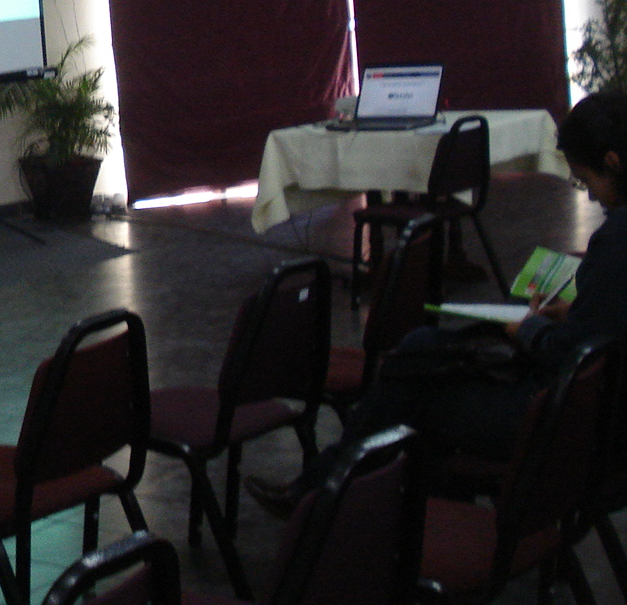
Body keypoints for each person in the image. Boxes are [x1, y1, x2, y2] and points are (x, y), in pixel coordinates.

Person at [247, 91, 627, 516]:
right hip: (592, 413)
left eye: (586, 181)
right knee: (422, 351)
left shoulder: (616, 242)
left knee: (413, 392)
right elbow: (606, 329)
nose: (590, 197)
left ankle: (332, 497)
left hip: (566, 420)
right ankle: (338, 494)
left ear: (612, 161)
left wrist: (531, 328)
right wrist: (574, 314)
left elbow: (577, 355)